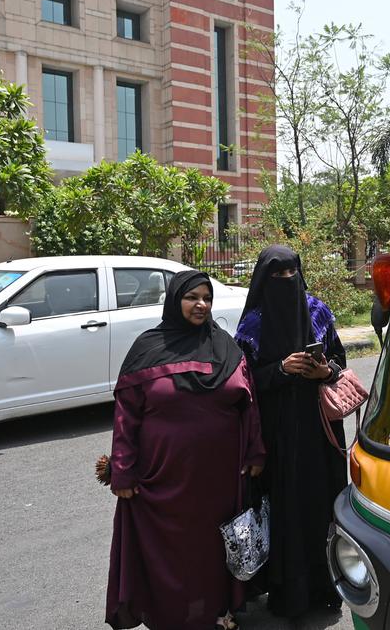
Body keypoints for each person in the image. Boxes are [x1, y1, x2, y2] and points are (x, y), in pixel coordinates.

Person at [105, 270, 264, 630]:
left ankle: (215, 613)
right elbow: (126, 416)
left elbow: (249, 404)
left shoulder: (225, 346)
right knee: (170, 552)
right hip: (163, 478)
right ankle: (171, 617)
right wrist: (122, 470)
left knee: (211, 550)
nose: (201, 305)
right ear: (175, 300)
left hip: (219, 478)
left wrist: (256, 451)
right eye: (192, 297)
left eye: (207, 298)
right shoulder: (148, 348)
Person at [234, 245, 348, 618]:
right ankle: (287, 594)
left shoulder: (317, 312)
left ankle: (326, 587)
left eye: (290, 273)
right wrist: (280, 369)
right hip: (277, 435)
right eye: (277, 275)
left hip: (319, 432)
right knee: (283, 510)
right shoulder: (252, 325)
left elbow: (340, 361)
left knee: (321, 505)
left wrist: (325, 371)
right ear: (263, 279)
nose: (285, 280)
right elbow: (243, 381)